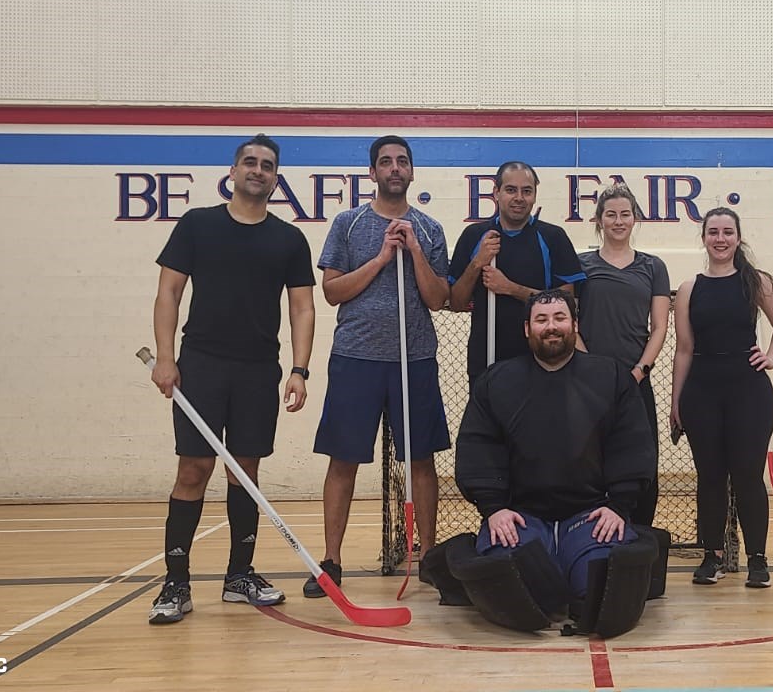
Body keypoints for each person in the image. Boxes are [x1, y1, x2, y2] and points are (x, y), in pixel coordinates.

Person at [147, 134, 316, 624]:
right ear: (234, 170)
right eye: (250, 162)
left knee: (245, 473)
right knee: (193, 472)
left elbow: (302, 307)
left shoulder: (288, 238)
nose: (257, 171)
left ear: (276, 177)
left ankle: (239, 576)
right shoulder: (198, 225)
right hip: (200, 366)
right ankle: (175, 583)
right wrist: (165, 357)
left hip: (259, 371)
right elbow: (168, 294)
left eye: (267, 165)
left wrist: (300, 370)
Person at [429, 289, 661, 637]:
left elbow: (632, 446)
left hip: (591, 515)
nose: (551, 327)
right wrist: (494, 510)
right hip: (522, 517)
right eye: (541, 320)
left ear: (574, 325)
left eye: (559, 318)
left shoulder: (611, 378)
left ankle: (579, 572)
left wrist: (619, 506)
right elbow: (478, 447)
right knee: (525, 589)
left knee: (599, 591)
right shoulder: (497, 382)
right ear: (527, 329)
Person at [304, 135, 450, 598]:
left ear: (411, 172)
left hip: (414, 358)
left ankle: (428, 558)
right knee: (343, 459)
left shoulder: (428, 229)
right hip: (356, 357)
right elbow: (332, 291)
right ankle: (331, 561)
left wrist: (414, 254)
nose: (393, 168)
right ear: (372, 173)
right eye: (385, 162)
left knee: (420, 459)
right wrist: (384, 256)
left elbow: (438, 298)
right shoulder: (348, 225)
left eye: (401, 162)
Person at [671, 207, 773, 589]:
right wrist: (676, 403)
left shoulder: (756, 282)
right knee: (710, 477)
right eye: (713, 232)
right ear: (704, 238)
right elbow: (684, 350)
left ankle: (758, 559)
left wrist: (771, 356)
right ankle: (712, 556)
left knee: (747, 477)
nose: (720, 239)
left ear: (738, 237)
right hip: (702, 392)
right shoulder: (690, 288)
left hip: (749, 391)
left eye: (727, 232)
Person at [575, 183, 671, 526]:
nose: (618, 221)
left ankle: (639, 532)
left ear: (635, 219)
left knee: (641, 457)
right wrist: (589, 368)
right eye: (610, 214)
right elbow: (570, 321)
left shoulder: (653, 266)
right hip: (588, 382)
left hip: (634, 382)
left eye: (625, 214)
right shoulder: (581, 264)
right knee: (588, 456)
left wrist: (640, 371)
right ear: (599, 220)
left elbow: (659, 326)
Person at [448, 161, 586, 383]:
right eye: (511, 190)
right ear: (496, 193)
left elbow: (567, 303)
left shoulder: (553, 237)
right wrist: (477, 263)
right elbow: (456, 302)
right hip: (487, 361)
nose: (519, 198)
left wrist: (510, 288)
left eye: (527, 191)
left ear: (534, 195)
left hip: (543, 361)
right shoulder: (475, 236)